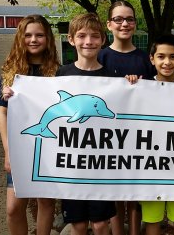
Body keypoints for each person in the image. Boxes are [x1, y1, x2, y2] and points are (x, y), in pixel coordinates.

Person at [0, 14, 59, 235]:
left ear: (48, 38)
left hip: (49, 147)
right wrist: (8, 151)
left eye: (39, 35)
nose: (33, 39)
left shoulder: (59, 73)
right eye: (28, 35)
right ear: (20, 38)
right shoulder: (11, 72)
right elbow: (3, 114)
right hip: (20, 148)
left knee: (46, 203)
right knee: (13, 208)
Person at [57, 13, 117, 235]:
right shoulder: (60, 74)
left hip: (101, 167)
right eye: (81, 36)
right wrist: (15, 95)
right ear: (71, 39)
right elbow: (37, 101)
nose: (88, 41)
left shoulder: (112, 78)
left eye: (94, 36)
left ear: (103, 40)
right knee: (78, 224)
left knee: (101, 223)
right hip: (71, 165)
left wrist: (132, 84)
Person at [98, 0, 153, 235]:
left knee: (135, 192)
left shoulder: (145, 58)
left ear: (135, 24)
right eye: (118, 19)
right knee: (116, 191)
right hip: (108, 134)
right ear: (109, 24)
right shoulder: (100, 57)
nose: (124, 24)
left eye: (129, 19)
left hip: (139, 132)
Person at [139, 34, 174, 235]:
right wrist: (128, 85)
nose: (167, 62)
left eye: (172, 57)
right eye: (161, 56)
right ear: (152, 59)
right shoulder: (139, 88)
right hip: (149, 168)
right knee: (152, 220)